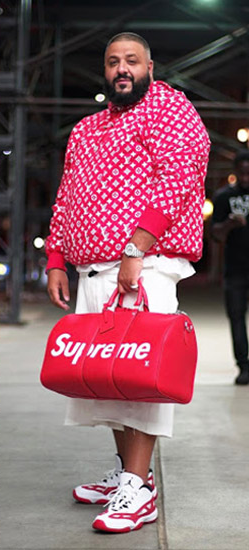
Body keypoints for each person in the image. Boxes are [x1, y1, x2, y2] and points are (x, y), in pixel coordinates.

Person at [45, 32, 209, 533]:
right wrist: (55, 257)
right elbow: (67, 194)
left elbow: (179, 177)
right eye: (113, 61)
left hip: (144, 266)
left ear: (150, 66)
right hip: (93, 270)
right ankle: (129, 476)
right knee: (108, 379)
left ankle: (139, 489)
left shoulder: (168, 108)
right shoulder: (88, 129)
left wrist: (137, 247)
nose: (122, 69)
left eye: (131, 61)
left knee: (139, 381)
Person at [212, 151, 249, 385]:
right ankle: (244, 366)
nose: (246, 178)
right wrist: (229, 224)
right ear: (235, 172)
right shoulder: (223, 196)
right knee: (236, 317)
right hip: (235, 269)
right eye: (242, 173)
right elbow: (214, 234)